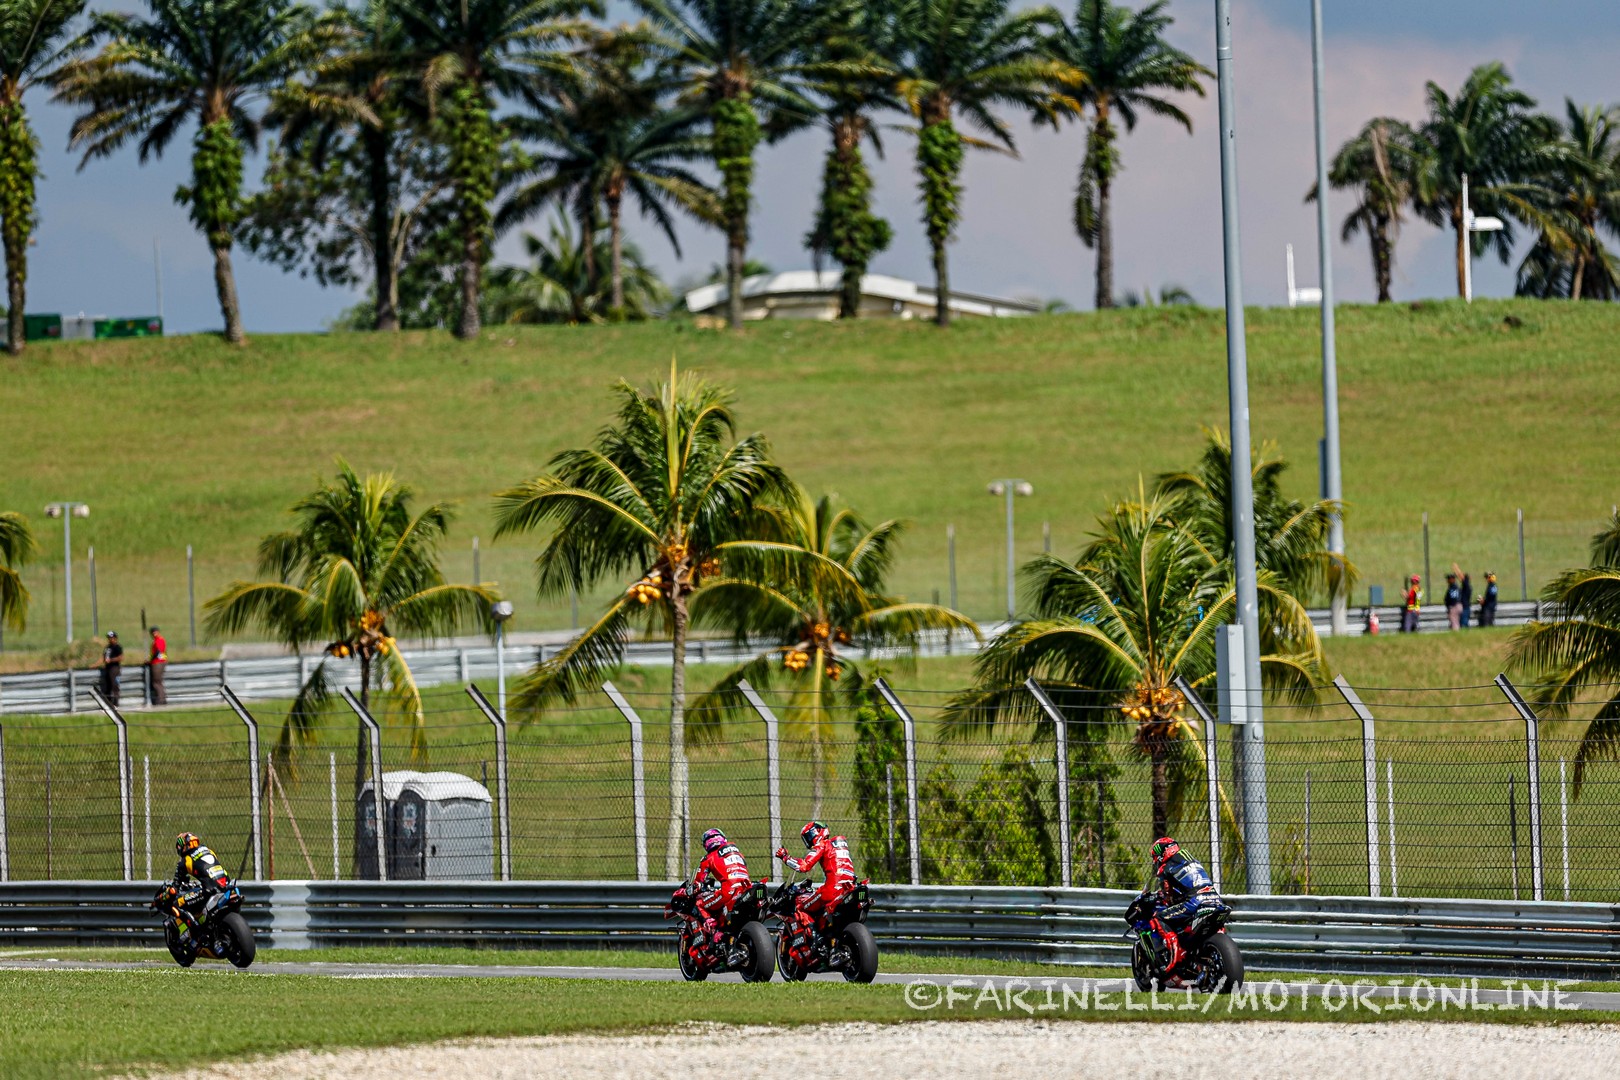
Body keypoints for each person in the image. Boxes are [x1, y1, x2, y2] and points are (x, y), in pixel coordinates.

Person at [1141, 837, 1224, 973]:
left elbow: (1167, 892)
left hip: (1195, 902)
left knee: (1158, 917)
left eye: (1155, 857)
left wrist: (1160, 896)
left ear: (1162, 853)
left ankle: (1174, 951)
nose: (1155, 861)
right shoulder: (1193, 861)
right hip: (1215, 899)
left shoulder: (1165, 868)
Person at [776, 820, 857, 922]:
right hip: (849, 887)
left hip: (832, 890)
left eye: (809, 836)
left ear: (818, 831)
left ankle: (812, 934)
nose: (808, 842)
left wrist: (785, 857)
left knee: (800, 907)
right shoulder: (841, 845)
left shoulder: (823, 844)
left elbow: (804, 866)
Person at [691, 828, 752, 944]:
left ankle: (713, 930)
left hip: (729, 891)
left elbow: (698, 882)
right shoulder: (738, 853)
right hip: (746, 888)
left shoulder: (708, 858)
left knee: (700, 904)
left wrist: (693, 888)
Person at [169, 832, 234, 936]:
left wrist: (171, 892)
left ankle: (195, 930)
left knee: (177, 904)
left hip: (210, 891)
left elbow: (175, 887)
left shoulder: (185, 860)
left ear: (183, 846)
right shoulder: (209, 851)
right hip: (227, 885)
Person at [99, 631, 123, 704]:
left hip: (115, 668)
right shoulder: (107, 647)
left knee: (115, 686)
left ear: (115, 638)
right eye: (109, 638)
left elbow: (121, 658)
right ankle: (108, 702)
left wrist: (111, 660)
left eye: (111, 638)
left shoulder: (117, 647)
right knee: (107, 686)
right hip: (108, 668)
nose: (110, 639)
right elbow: (103, 657)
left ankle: (116, 702)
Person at [147, 626, 168, 706]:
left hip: (158, 662)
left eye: (155, 632)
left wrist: (150, 660)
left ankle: (161, 699)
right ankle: (162, 698)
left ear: (158, 632)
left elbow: (158, 652)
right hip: (160, 661)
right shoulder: (157, 640)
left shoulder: (159, 640)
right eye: (152, 632)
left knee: (156, 681)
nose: (154, 633)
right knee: (159, 681)